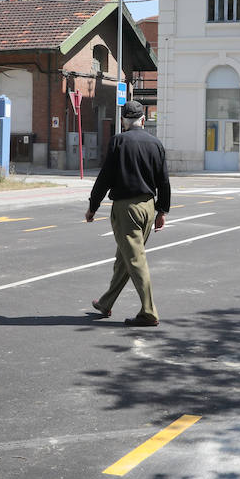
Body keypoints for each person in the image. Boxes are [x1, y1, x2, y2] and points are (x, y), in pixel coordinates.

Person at [85, 100, 171, 326]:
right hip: (148, 207)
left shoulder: (119, 142)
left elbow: (104, 179)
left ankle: (149, 312)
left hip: (126, 209)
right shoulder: (156, 144)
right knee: (124, 257)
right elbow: (164, 182)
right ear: (143, 120)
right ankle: (106, 302)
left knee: (135, 258)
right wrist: (162, 211)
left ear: (123, 121)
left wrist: (93, 207)